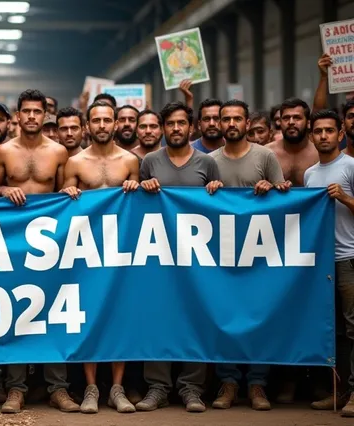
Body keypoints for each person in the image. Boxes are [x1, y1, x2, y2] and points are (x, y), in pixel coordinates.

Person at [0, 89, 77, 414]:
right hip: (12, 244)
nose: (31, 117)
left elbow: (65, 194)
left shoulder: (58, 152)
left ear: (44, 116)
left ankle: (58, 388)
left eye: (37, 112)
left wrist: (69, 191)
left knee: (54, 313)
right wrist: (4, 189)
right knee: (16, 313)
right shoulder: (3, 151)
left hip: (50, 244)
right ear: (17, 115)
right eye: (25, 111)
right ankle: (16, 389)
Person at [137, 101, 221, 413]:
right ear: (162, 128)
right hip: (158, 258)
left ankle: (191, 389)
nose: (175, 129)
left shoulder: (207, 163)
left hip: (196, 261)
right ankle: (157, 387)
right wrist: (144, 185)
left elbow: (217, 205)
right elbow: (139, 204)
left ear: (191, 127)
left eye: (181, 123)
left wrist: (216, 188)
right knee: (157, 319)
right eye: (170, 124)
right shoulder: (149, 161)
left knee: (195, 320)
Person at [206, 100, 287, 411]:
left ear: (246, 122)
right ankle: (228, 383)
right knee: (225, 318)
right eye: (225, 119)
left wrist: (273, 187)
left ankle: (257, 385)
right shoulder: (210, 161)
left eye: (236, 118)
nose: (230, 124)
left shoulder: (265, 156)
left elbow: (286, 198)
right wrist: (209, 190)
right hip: (222, 257)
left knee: (258, 319)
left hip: (260, 255)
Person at [60, 100, 139, 414]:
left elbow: (145, 203)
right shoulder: (76, 162)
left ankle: (117, 388)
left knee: (119, 316)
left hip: (121, 252)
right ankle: (91, 387)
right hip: (86, 251)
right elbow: (63, 207)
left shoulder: (131, 160)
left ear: (116, 122)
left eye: (108, 120)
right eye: (97, 121)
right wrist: (67, 192)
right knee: (88, 316)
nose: (103, 125)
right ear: (87, 126)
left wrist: (137, 186)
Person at [304, 109, 354, 418]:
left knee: (353, 328)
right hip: (321, 265)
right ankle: (342, 393)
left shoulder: (350, 167)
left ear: (340, 134)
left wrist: (346, 198)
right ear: (312, 136)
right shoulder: (310, 174)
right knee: (333, 331)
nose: (323, 135)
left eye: (329, 130)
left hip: (349, 258)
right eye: (318, 131)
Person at [266, 98, 318, 187]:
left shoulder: (319, 154)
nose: (291, 122)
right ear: (280, 122)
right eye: (286, 118)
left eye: (297, 118)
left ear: (308, 122)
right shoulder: (267, 152)